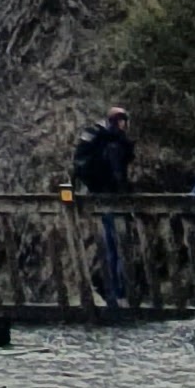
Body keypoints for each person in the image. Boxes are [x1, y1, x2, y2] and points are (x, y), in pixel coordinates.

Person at [73, 105, 134, 309]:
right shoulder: (111, 142)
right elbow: (116, 171)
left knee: (113, 244)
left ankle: (117, 292)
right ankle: (118, 292)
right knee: (114, 244)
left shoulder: (105, 138)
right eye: (122, 121)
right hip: (108, 196)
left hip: (103, 195)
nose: (125, 125)